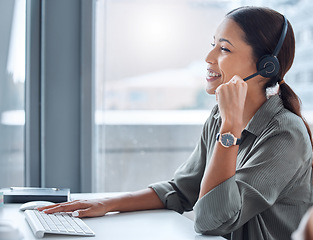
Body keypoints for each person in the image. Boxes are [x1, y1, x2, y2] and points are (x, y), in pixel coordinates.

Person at [38, 6, 313, 240]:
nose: (209, 58)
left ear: (266, 67)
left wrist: (229, 130)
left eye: (225, 48)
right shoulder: (219, 116)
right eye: (213, 44)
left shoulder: (285, 133)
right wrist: (106, 203)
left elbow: (212, 219)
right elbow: (182, 190)